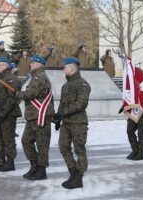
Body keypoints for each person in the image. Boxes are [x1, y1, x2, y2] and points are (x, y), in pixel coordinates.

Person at [53, 57, 91, 189]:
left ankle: (78, 178)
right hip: (66, 123)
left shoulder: (82, 84)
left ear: (72, 67)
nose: (63, 69)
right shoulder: (66, 85)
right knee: (63, 147)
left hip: (78, 123)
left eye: (65, 66)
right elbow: (62, 104)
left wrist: (63, 113)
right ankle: (73, 173)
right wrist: (58, 118)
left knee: (79, 149)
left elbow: (81, 104)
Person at [15, 55, 55, 180]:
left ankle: (41, 171)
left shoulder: (40, 77)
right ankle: (34, 166)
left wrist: (17, 94)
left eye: (32, 63)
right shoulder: (35, 77)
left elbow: (32, 93)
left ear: (39, 64)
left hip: (41, 115)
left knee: (42, 144)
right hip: (33, 115)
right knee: (26, 141)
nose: (30, 64)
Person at [0, 57, 22, 172]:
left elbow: (12, 99)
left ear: (7, 66)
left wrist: (2, 114)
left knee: (8, 137)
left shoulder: (11, 79)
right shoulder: (0, 78)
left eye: (0, 65)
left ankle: (10, 162)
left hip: (9, 113)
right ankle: (1, 159)